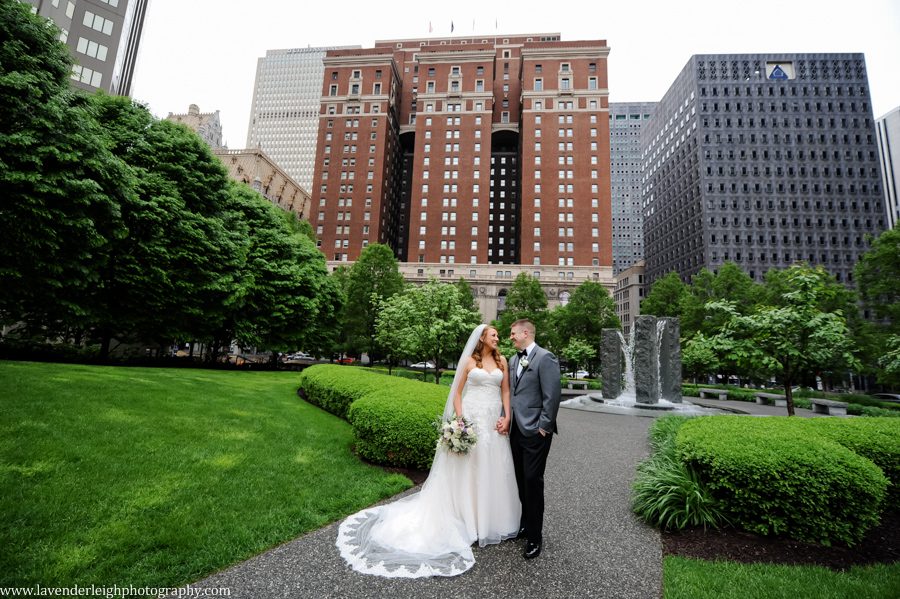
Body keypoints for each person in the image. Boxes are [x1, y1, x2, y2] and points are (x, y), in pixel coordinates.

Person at [336, 324, 521, 578]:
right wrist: (461, 420)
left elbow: (506, 391)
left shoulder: (502, 362)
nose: (498, 338)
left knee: (492, 468)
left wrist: (507, 416)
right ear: (482, 338)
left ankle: (488, 520)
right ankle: (465, 518)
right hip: (472, 419)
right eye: (494, 335)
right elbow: (457, 393)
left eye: (498, 335)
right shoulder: (469, 361)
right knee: (467, 469)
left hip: (492, 422)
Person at [504, 318, 561, 559]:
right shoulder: (513, 360)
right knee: (520, 479)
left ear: (525, 333)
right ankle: (525, 524)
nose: (510, 337)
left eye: (513, 333)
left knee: (532, 481)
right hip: (516, 430)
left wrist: (544, 428)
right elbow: (513, 393)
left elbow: (552, 395)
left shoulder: (545, 357)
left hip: (536, 432)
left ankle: (535, 538)